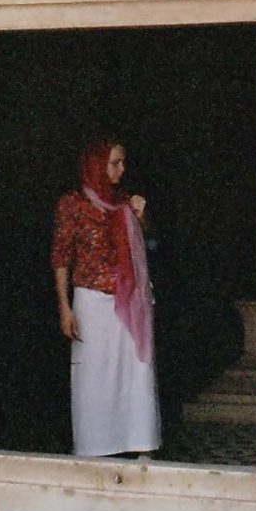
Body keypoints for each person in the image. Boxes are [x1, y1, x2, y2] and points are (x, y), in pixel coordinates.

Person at [51, 138, 160, 458]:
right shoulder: (72, 204)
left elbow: (150, 245)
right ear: (97, 163)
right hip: (91, 302)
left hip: (127, 303)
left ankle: (141, 444)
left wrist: (142, 219)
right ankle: (94, 446)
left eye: (122, 162)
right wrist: (64, 306)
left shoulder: (125, 203)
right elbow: (61, 256)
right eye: (115, 163)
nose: (121, 170)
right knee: (93, 376)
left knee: (135, 371)